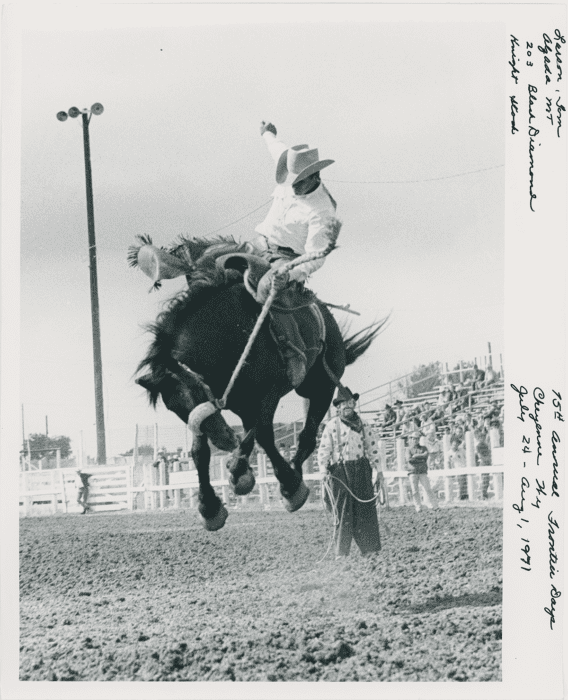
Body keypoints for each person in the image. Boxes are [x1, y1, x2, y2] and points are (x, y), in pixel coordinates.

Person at [252, 121, 339, 387]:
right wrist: (268, 133)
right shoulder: (291, 162)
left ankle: (293, 351)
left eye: (298, 183)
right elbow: (275, 148)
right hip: (258, 243)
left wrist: (290, 274)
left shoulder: (321, 211)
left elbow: (317, 255)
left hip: (286, 259)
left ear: (314, 177)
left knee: (268, 288)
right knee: (219, 261)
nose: (293, 187)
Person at [318, 386, 381, 559]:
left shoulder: (363, 424)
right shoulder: (331, 426)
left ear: (354, 404)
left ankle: (370, 550)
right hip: (340, 471)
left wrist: (378, 470)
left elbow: (373, 447)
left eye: (350, 402)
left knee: (365, 509)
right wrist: (323, 470)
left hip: (361, 469)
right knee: (343, 511)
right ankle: (341, 553)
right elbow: (324, 450)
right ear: (338, 407)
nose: (347, 406)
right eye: (343, 403)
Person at [405, 432, 440, 513]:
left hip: (422, 471)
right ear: (411, 439)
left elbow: (426, 456)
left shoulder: (424, 448)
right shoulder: (408, 449)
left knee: (428, 489)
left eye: (417, 439)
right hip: (413, 472)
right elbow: (409, 460)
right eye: (414, 439)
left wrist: (415, 456)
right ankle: (418, 507)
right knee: (415, 491)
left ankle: (435, 506)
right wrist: (421, 458)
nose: (415, 440)